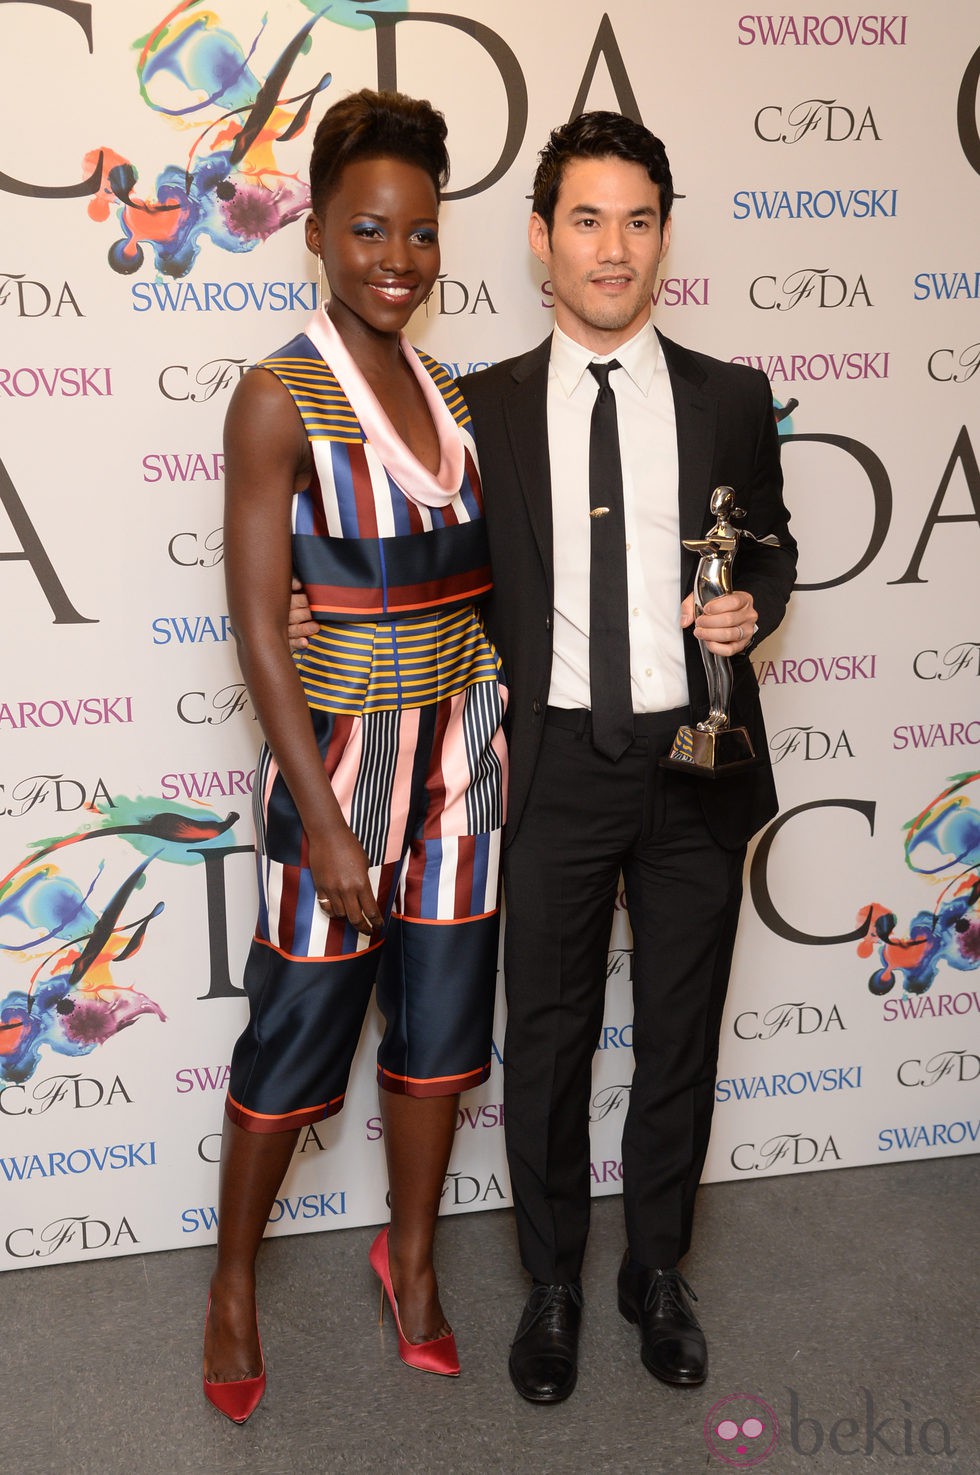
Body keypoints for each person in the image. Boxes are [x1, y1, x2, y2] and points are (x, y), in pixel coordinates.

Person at [291, 109, 796, 1404]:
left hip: (701, 764)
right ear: (538, 239)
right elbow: (415, 562)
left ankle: (658, 1271)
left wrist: (756, 607)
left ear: (664, 237)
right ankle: (558, 1280)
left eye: (636, 219)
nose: (611, 247)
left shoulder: (734, 399)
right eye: (586, 219)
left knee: (682, 1036)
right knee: (551, 1044)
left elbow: (770, 547)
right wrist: (322, 602)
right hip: (549, 766)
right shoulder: (475, 410)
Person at [205, 88, 507, 1423]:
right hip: (338, 778)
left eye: (422, 234)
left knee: (440, 1042)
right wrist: (325, 822)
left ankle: (418, 1261)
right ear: (319, 234)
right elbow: (259, 625)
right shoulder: (280, 395)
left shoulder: (451, 393)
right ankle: (228, 1285)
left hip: (464, 773)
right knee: (293, 1041)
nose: (398, 256)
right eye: (369, 229)